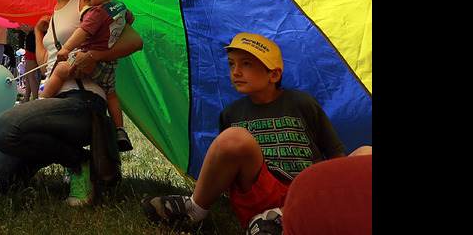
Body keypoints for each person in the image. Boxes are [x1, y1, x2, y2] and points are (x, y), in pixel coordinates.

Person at [140, 32, 368, 234]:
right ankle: (196, 209)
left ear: (274, 75)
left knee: (367, 152)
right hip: (261, 194)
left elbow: (337, 161)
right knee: (234, 138)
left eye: (247, 64)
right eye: (231, 64)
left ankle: (280, 218)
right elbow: (229, 173)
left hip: (309, 196)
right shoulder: (232, 113)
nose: (236, 72)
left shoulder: (302, 103)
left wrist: (340, 190)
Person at [0, 0, 143, 206]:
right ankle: (69, 156)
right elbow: (48, 66)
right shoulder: (55, 13)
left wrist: (92, 56)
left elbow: (134, 41)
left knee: (3, 127)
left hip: (82, 100)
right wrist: (38, 32)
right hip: (54, 99)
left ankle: (78, 161)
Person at [40, 0, 133, 152]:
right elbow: (129, 19)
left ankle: (42, 102)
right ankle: (119, 129)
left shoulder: (96, 12)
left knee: (59, 71)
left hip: (88, 61)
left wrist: (66, 48)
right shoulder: (118, 9)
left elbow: (82, 32)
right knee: (112, 94)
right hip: (108, 66)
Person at [20, 25, 40, 102]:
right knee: (28, 75)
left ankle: (35, 99)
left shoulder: (36, 21)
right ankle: (27, 97)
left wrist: (18, 21)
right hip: (34, 50)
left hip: (31, 50)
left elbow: (25, 29)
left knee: (30, 76)